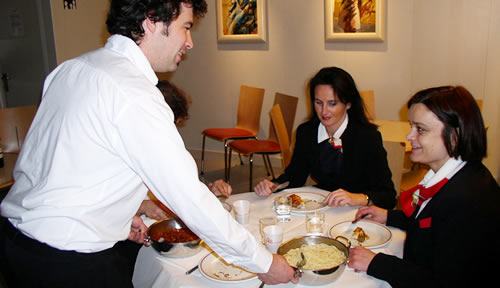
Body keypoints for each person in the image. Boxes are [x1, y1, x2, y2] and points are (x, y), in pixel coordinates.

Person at [0, 0, 295, 287]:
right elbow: (190, 199)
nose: (190, 42)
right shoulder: (133, 93)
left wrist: (116, 215)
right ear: (152, 20)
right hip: (64, 261)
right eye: (186, 27)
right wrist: (264, 263)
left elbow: (60, 165)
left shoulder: (73, 67)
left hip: (16, 240)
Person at [348, 86, 499, 287]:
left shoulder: (466, 200)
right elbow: (434, 224)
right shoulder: (455, 176)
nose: (409, 136)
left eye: (420, 129)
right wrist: (389, 216)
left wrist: (377, 263)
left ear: (455, 135)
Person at [254, 66, 397, 209]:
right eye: (318, 102)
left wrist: (358, 198)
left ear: (348, 103)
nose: (324, 111)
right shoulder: (307, 132)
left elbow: (388, 196)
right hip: (324, 208)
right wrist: (273, 185)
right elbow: (295, 176)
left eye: (332, 103)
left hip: (357, 211)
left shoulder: (367, 138)